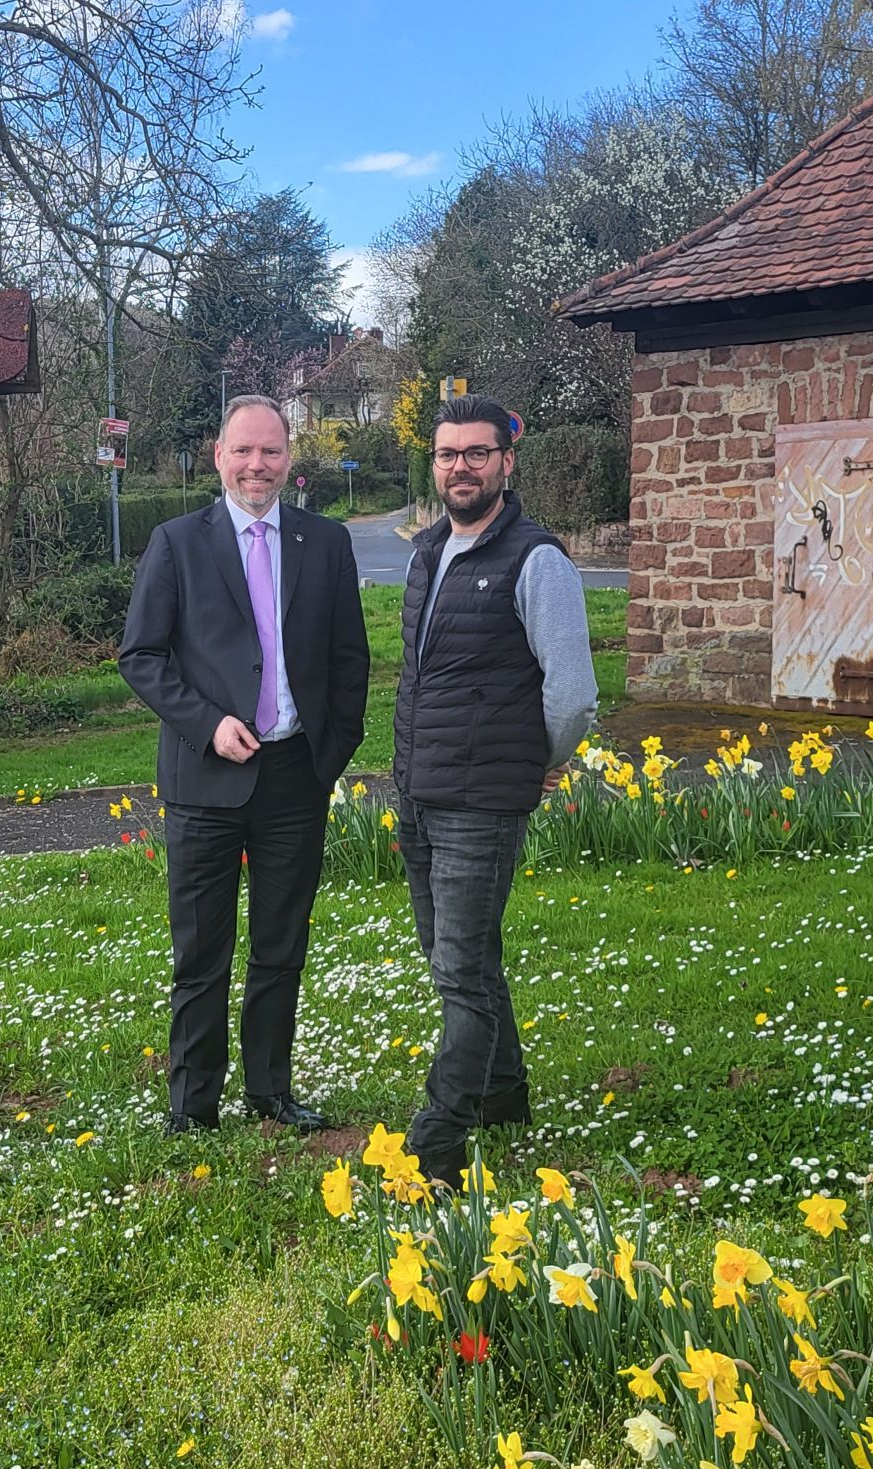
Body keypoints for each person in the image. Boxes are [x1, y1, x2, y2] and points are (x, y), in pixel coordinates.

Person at [119, 395, 370, 1135]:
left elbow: (350, 660)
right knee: (201, 951)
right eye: (243, 451)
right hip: (206, 778)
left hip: (296, 776)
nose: (256, 465)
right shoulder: (176, 542)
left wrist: (329, 756)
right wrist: (207, 724)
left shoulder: (326, 543)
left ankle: (271, 1092)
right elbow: (141, 656)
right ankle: (192, 1106)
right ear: (219, 456)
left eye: (271, 451)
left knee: (280, 947)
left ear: (289, 459)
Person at [392, 393, 598, 1187]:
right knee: (461, 958)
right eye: (448, 454)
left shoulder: (536, 560)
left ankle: (438, 1142)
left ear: (506, 462)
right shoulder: (428, 552)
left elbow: (572, 693)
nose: (461, 468)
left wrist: (537, 760)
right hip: (420, 792)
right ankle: (505, 1096)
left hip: (483, 802)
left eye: (477, 453)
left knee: (461, 972)